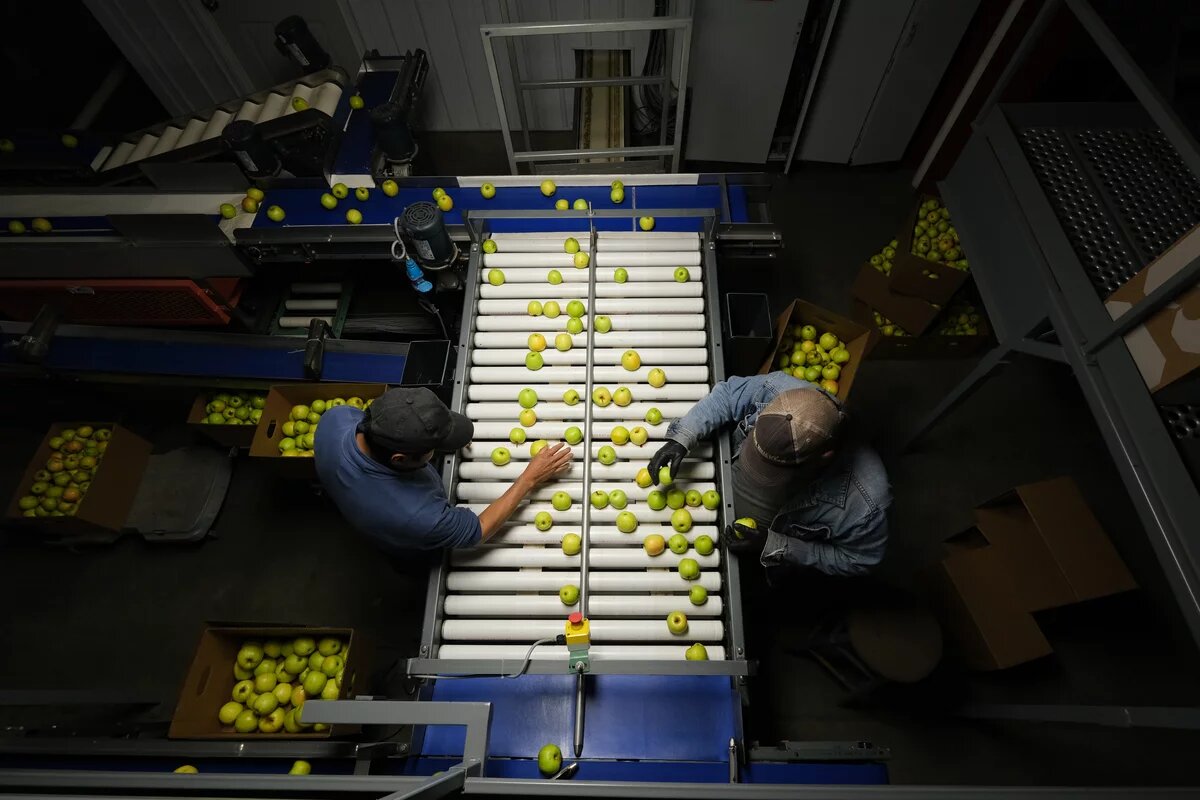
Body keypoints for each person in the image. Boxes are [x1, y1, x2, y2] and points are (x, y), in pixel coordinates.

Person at [647, 372, 890, 577]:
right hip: (700, 498)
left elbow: (859, 559)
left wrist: (775, 545)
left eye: (775, 469)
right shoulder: (781, 390)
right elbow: (728, 395)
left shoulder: (866, 504)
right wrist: (684, 436)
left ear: (824, 456)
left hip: (751, 549)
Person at [315, 387, 571, 553]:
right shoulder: (415, 515)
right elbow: (478, 529)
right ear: (400, 459)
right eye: (433, 448)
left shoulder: (336, 419)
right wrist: (529, 478)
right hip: (400, 539)